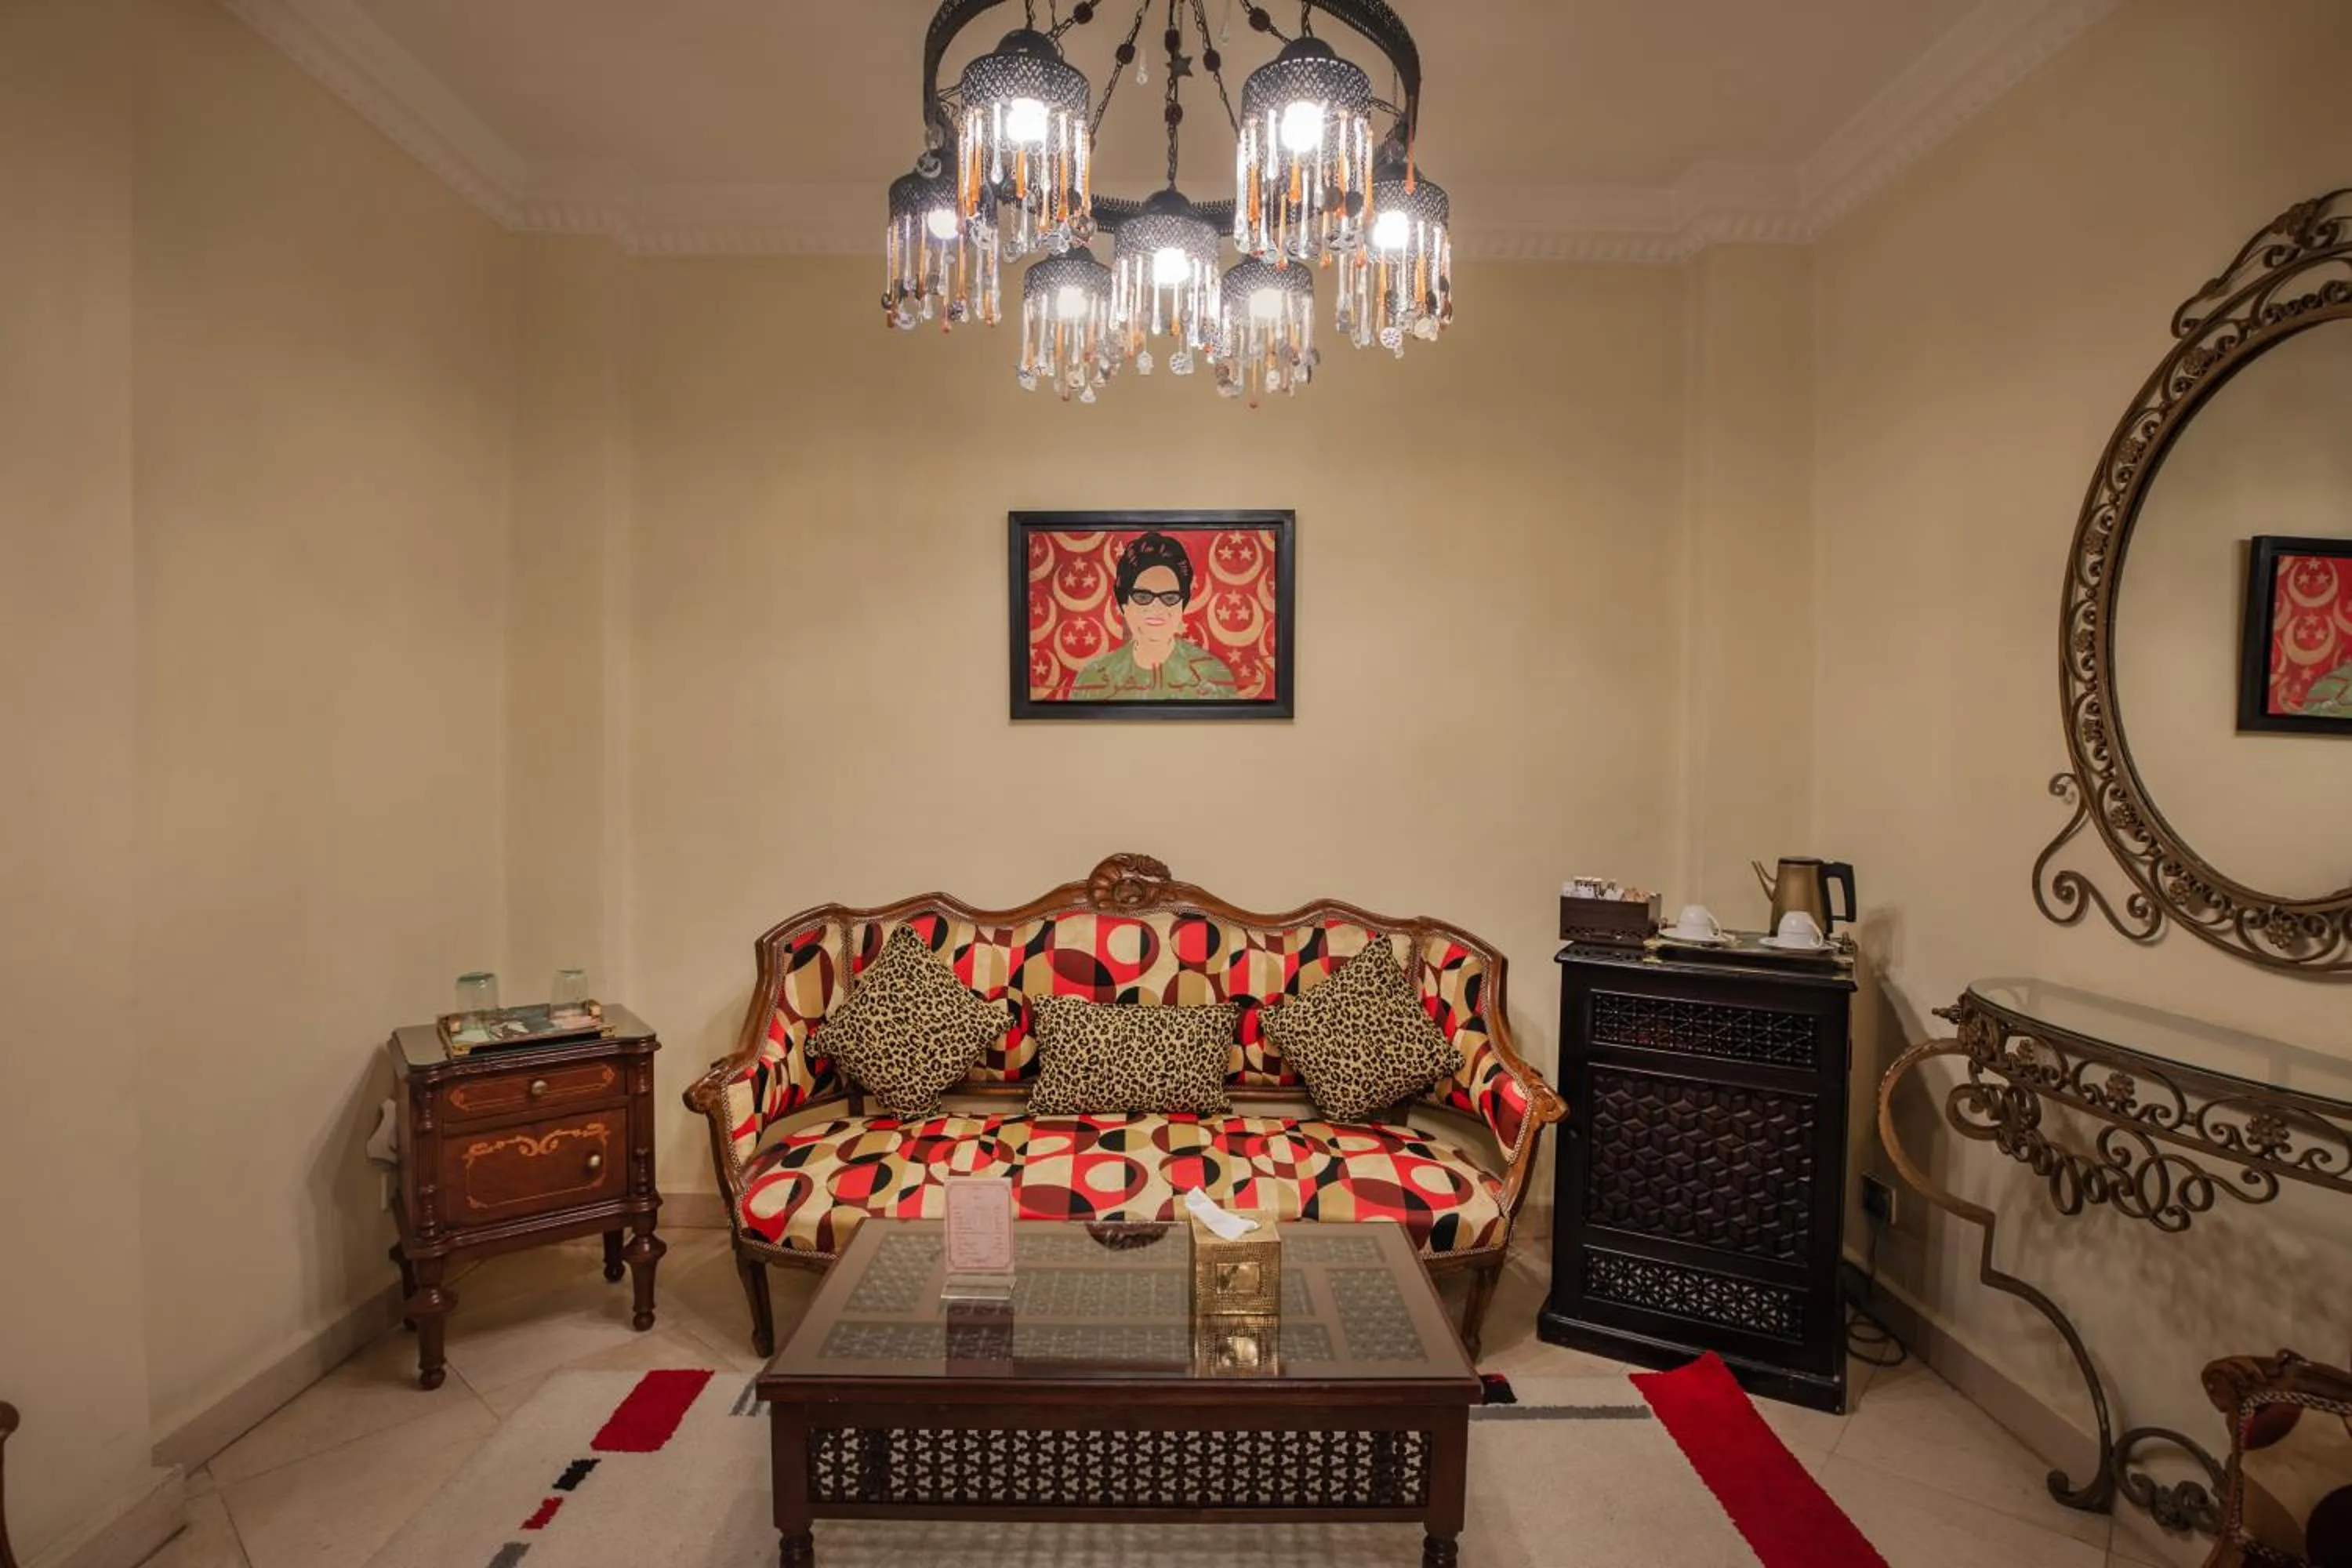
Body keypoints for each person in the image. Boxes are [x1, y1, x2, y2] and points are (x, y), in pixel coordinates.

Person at [1069, 532, 1237, 700]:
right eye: (1143, 597)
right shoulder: (1092, 678)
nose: (1157, 607)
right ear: (1124, 605)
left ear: (1182, 606)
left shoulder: (1213, 675)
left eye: (1169, 598)